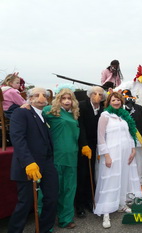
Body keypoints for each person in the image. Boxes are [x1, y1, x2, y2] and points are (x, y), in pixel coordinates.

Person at [8, 87, 58, 233]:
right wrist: (28, 162)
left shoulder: (44, 115)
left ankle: (43, 229)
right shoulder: (21, 112)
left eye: (44, 95)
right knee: (25, 203)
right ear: (29, 98)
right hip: (28, 165)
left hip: (47, 164)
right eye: (36, 95)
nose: (41, 97)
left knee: (52, 197)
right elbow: (18, 139)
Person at [94, 92, 142, 229]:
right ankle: (106, 212)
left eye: (118, 100)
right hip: (112, 153)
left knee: (123, 178)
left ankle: (121, 204)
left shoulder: (124, 116)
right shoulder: (104, 116)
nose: (116, 102)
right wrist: (106, 155)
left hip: (126, 153)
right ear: (109, 102)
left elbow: (130, 133)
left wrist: (133, 149)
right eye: (113, 100)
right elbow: (101, 137)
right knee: (110, 180)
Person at [42, 84, 80, 229]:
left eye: (69, 98)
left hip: (72, 156)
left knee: (69, 189)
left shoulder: (74, 113)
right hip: (57, 157)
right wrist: (25, 106)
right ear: (58, 99)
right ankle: (47, 223)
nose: (66, 101)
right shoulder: (51, 111)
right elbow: (36, 112)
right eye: (63, 98)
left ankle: (66, 219)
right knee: (53, 191)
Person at [75, 86, 105, 218]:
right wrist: (84, 144)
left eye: (100, 94)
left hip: (96, 144)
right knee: (82, 174)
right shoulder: (82, 106)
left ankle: (89, 201)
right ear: (89, 95)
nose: (98, 96)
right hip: (84, 145)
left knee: (92, 173)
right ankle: (79, 204)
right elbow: (80, 126)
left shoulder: (103, 108)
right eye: (95, 94)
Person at [121, 89, 142, 194]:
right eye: (124, 97)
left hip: (138, 140)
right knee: (127, 162)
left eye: (127, 96)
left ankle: (139, 184)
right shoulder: (120, 109)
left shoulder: (139, 108)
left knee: (140, 162)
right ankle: (128, 186)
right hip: (126, 141)